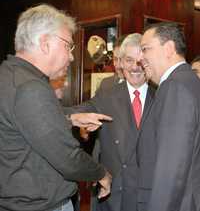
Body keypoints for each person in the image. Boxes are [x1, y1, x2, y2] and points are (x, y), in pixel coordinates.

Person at [0, 4, 113, 211]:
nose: (71, 56)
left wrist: (71, 117)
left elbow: (26, 120)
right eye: (68, 46)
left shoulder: (9, 76)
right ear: (45, 43)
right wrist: (101, 174)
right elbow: (68, 159)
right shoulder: (31, 87)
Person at [66, 33, 155, 211]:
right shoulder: (107, 96)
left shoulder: (163, 95)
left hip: (152, 196)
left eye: (140, 61)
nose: (135, 67)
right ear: (120, 63)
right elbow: (80, 110)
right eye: (129, 60)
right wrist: (64, 116)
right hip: (114, 197)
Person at [140, 22, 200, 211]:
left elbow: (171, 168)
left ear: (168, 49)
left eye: (145, 49)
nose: (141, 58)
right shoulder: (189, 81)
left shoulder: (175, 87)